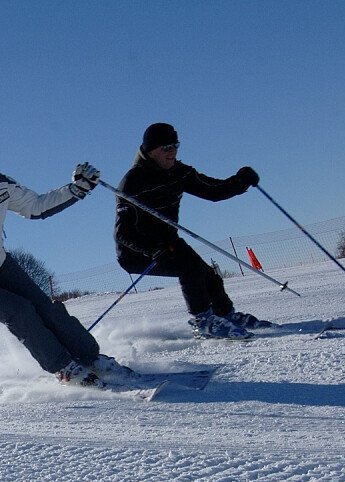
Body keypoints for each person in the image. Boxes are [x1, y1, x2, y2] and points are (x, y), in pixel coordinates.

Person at [0, 120, 139, 389]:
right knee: (20, 311)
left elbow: (36, 206)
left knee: (46, 308)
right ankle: (64, 368)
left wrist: (76, 189)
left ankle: (92, 358)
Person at [113, 122, 274, 340]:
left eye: (175, 146)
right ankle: (203, 322)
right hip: (137, 251)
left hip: (168, 241)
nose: (173, 152)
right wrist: (152, 249)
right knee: (190, 268)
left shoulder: (179, 173)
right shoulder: (132, 182)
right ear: (151, 152)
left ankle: (225, 315)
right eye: (166, 148)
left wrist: (240, 182)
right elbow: (122, 233)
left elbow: (213, 191)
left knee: (210, 276)